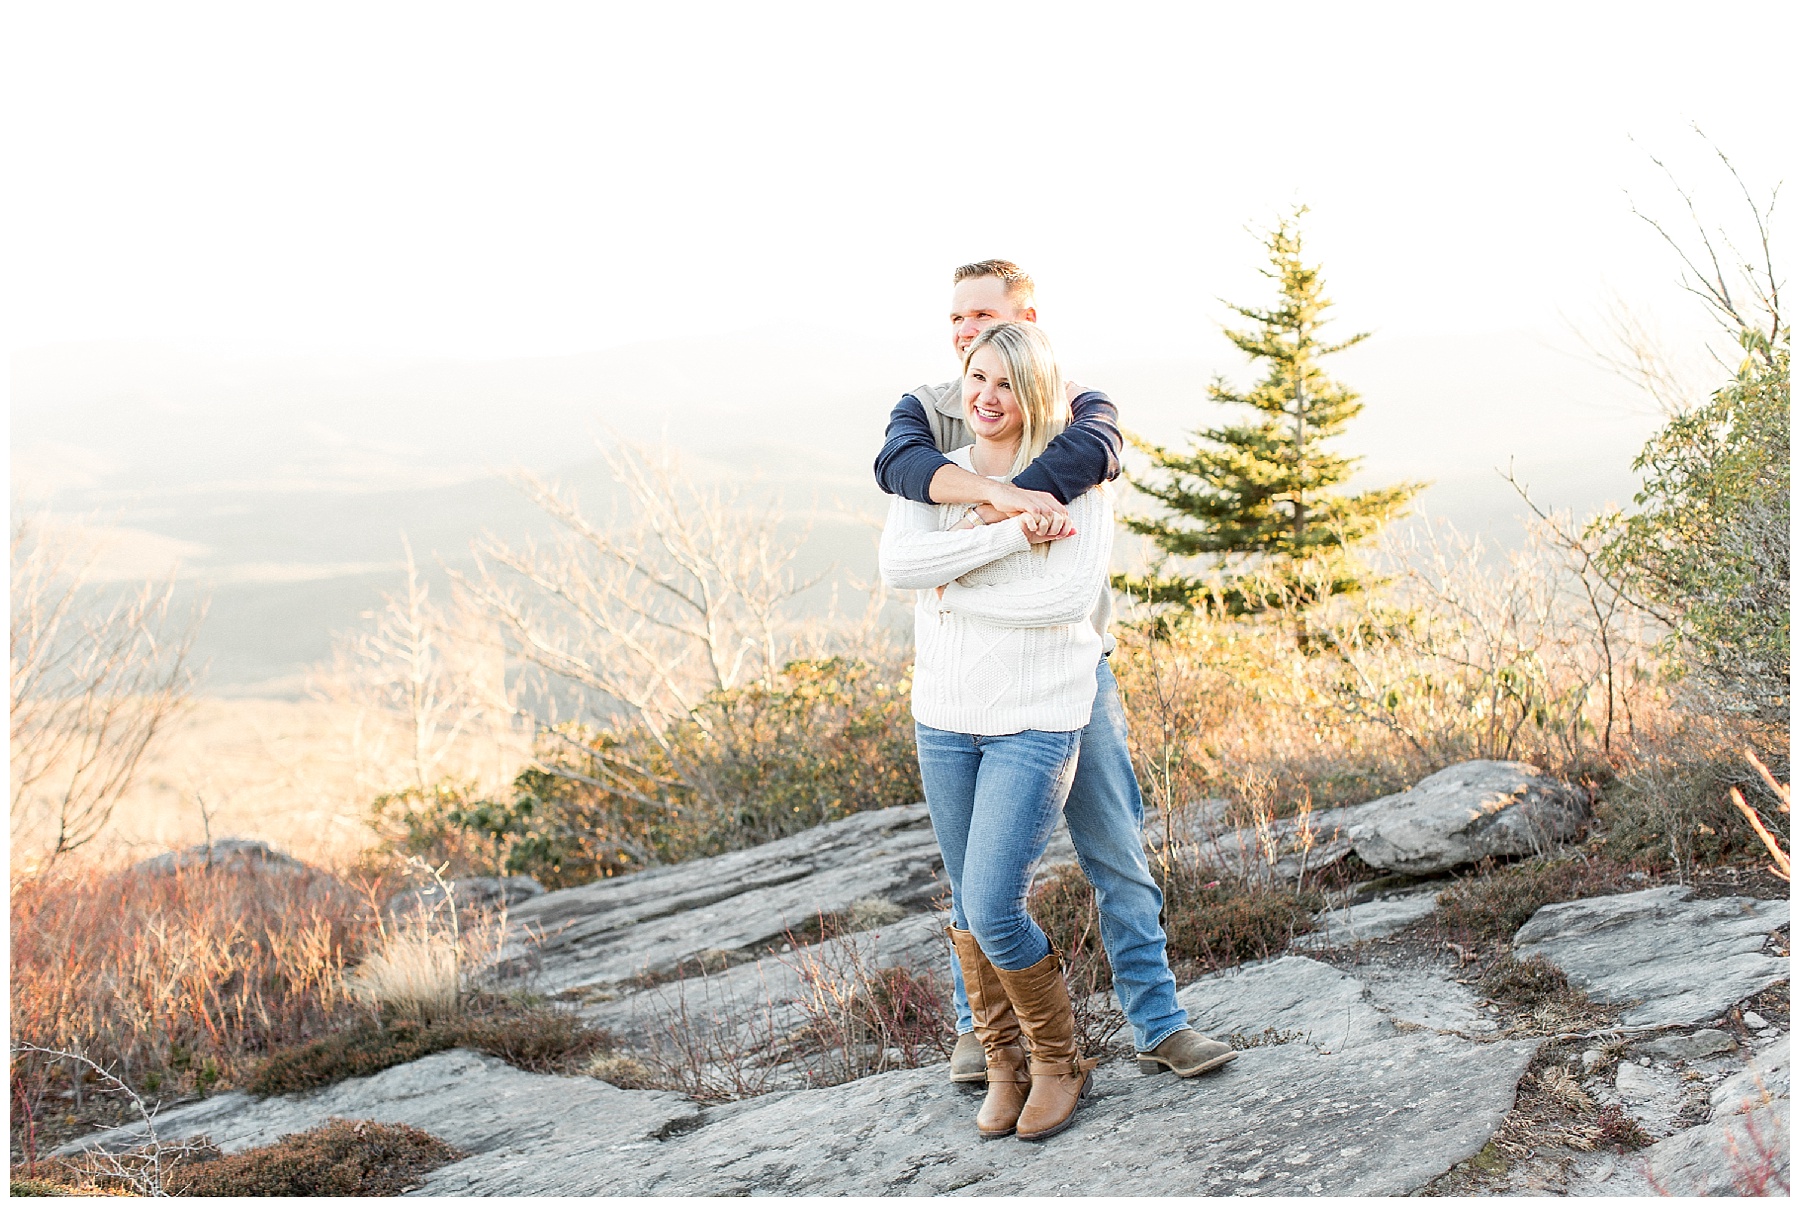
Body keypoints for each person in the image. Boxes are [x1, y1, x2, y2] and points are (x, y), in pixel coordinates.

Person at [874, 261, 1235, 1084]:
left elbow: (1096, 451)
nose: (969, 333)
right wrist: (1002, 508)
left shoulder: (1079, 406)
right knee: (974, 876)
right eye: (958, 320)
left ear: (1028, 317)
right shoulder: (931, 405)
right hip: (968, 684)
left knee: (1115, 848)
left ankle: (1158, 1021)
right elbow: (898, 467)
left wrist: (975, 519)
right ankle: (982, 1033)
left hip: (1077, 669)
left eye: (987, 317)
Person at [879, 320, 1107, 1141]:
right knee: (969, 911)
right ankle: (1003, 1063)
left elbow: (1064, 600)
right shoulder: (936, 476)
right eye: (977, 376)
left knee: (995, 905)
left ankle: (1057, 1061)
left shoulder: (1077, 475)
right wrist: (1008, 527)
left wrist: (956, 578)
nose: (987, 396)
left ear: (1035, 392)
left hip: (1035, 719)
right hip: (943, 718)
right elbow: (900, 569)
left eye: (1007, 383)